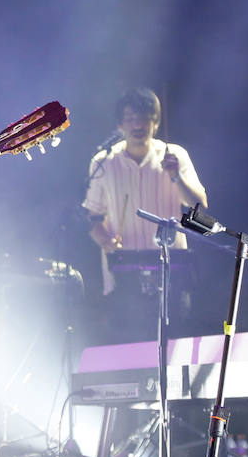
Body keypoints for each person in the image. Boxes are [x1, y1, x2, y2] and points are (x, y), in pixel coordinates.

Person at [83, 87, 208, 340]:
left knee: (173, 355)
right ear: (120, 124)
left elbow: (200, 208)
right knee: (128, 354)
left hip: (171, 273)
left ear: (156, 122)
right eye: (130, 119)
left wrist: (176, 177)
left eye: (144, 118)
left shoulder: (175, 156)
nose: (137, 124)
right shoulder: (103, 162)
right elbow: (92, 218)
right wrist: (106, 241)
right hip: (123, 278)